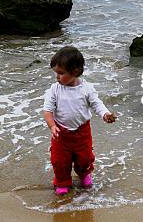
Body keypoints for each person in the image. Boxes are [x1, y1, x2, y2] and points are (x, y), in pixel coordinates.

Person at [42, 46, 117, 195]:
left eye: (61, 73)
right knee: (59, 161)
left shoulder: (87, 88)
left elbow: (96, 103)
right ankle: (62, 182)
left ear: (75, 72)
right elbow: (47, 110)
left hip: (82, 132)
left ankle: (84, 174)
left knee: (85, 158)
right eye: (56, 73)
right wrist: (52, 126)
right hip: (61, 133)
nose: (57, 77)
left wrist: (105, 114)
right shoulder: (54, 90)